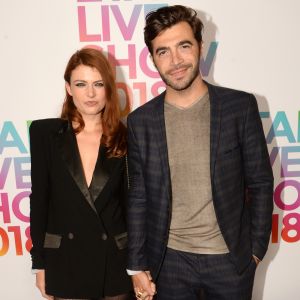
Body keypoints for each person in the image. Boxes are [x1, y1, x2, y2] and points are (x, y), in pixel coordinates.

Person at [126, 5, 274, 300]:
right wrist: (136, 264)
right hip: (169, 263)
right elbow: (139, 197)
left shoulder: (239, 107)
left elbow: (260, 182)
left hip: (230, 261)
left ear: (201, 47)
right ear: (153, 59)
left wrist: (255, 251)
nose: (175, 61)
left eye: (183, 46)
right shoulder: (141, 121)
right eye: (163, 51)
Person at [29, 48, 133, 300]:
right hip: (65, 262)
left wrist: (139, 264)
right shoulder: (45, 133)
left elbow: (132, 206)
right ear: (68, 88)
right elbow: (40, 201)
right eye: (81, 84)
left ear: (108, 87)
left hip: (115, 263)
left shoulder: (126, 136)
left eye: (98, 84)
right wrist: (39, 264)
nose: (90, 93)